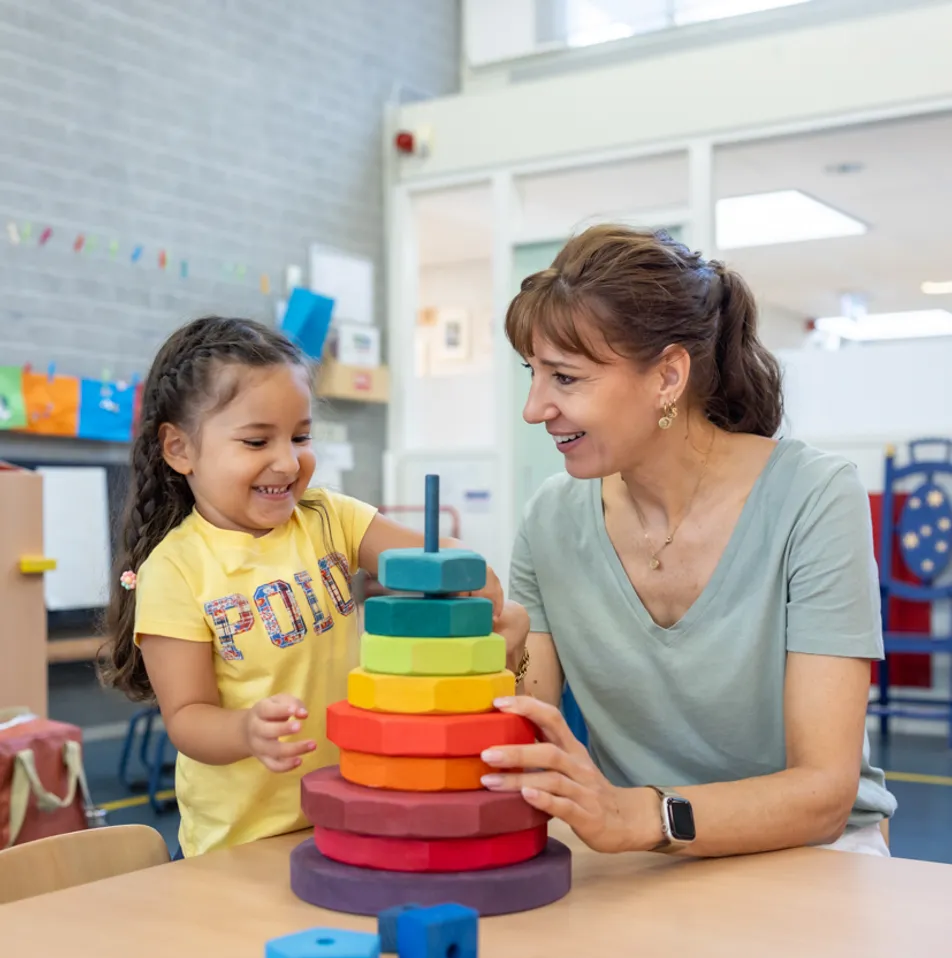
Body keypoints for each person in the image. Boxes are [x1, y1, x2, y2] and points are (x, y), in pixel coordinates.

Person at [480, 226, 896, 859]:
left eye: (565, 378)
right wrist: (488, 661)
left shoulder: (815, 497)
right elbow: (531, 744)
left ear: (669, 376)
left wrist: (642, 816)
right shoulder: (551, 519)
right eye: (532, 374)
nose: (535, 408)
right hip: (637, 856)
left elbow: (824, 794)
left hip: (809, 856)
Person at [100, 316, 514, 858]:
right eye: (256, 441)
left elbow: (453, 573)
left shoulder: (329, 518)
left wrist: (460, 574)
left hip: (353, 811)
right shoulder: (176, 569)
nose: (288, 461)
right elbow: (188, 717)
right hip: (243, 843)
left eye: (300, 436)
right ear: (180, 450)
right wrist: (247, 730)